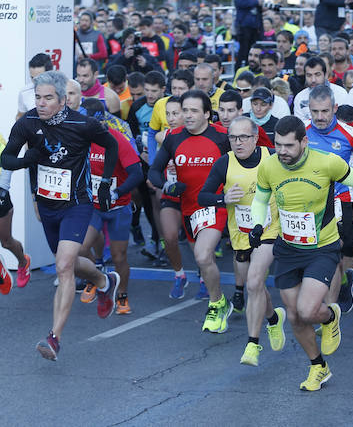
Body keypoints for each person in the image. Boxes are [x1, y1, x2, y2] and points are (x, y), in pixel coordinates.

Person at [1, 70, 120, 360]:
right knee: (66, 262)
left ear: (63, 99)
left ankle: (54, 338)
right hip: (47, 205)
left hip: (77, 203)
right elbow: (5, 158)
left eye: (48, 98)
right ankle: (105, 282)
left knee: (64, 265)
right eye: (38, 98)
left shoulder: (83, 123)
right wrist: (23, 161)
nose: (41, 104)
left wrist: (104, 184)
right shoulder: (27, 123)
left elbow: (112, 145)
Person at [249, 116, 353, 391]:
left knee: (305, 310)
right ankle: (318, 367)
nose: (282, 151)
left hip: (321, 248)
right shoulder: (269, 166)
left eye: (289, 145)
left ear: (304, 141)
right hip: (288, 247)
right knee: (293, 316)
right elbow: (260, 198)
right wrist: (258, 224)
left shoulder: (326, 162)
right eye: (278, 145)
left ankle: (329, 316)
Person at [198, 116, 286, 366]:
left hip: (270, 231)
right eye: (233, 137)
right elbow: (203, 196)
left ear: (256, 137)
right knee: (255, 286)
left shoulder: (272, 157)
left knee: (254, 282)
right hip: (241, 236)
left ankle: (252, 344)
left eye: (244, 137)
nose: (238, 142)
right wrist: (222, 199)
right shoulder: (224, 163)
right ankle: (273, 319)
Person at [148, 90, 233, 332]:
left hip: (217, 205)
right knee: (202, 260)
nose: (188, 115)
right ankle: (222, 301)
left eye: (194, 110)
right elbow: (154, 171)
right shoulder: (173, 137)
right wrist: (166, 185)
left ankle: (216, 304)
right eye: (184, 110)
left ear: (207, 113)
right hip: (189, 208)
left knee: (204, 255)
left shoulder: (223, 136)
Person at [305, 84, 353, 313]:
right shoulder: (303, 132)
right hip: (315, 203)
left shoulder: (351, 134)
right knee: (328, 255)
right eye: (315, 112)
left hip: (345, 200)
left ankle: (330, 308)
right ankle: (339, 290)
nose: (320, 117)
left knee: (336, 252)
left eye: (325, 111)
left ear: (335, 108)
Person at [78, 99, 143, 315]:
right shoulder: (80, 140)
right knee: (80, 248)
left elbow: (137, 174)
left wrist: (116, 192)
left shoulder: (117, 140)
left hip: (118, 207)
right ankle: (97, 277)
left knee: (119, 257)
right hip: (93, 207)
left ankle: (122, 295)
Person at [0, 132, 30, 289]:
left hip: (0, 193)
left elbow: (7, 160)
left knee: (6, 242)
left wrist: (3, 189)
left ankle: (23, 262)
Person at [235, 0, 262, 67]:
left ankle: (250, 68)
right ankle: (238, 71)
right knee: (243, 51)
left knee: (252, 50)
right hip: (244, 24)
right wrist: (256, 2)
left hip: (254, 25)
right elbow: (239, 2)